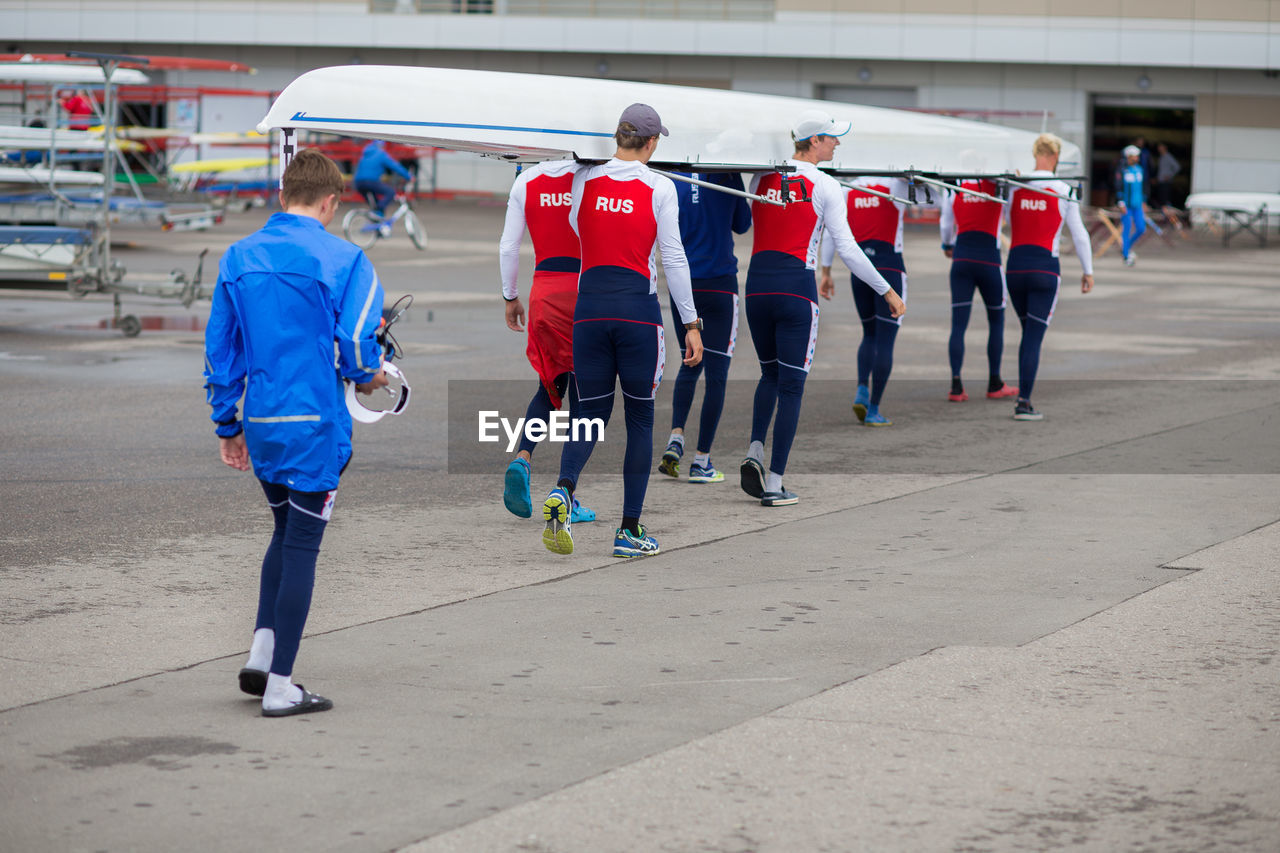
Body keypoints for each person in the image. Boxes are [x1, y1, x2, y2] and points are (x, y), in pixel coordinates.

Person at [204, 149, 388, 716]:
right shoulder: (347, 259)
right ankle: (281, 686)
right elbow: (359, 348)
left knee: (284, 531)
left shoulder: (238, 256)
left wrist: (226, 423)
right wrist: (373, 373)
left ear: (282, 197)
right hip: (314, 423)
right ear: (331, 203)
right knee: (304, 544)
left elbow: (220, 350)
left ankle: (262, 655)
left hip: (260, 420)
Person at [541, 103, 702, 558]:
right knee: (640, 420)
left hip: (588, 313)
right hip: (637, 314)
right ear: (650, 143)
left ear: (617, 137)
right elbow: (673, 258)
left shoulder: (583, 179)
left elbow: (576, 228)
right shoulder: (660, 187)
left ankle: (564, 490)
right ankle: (629, 531)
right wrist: (690, 322)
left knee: (588, 415)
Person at [743, 111, 904, 505]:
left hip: (756, 287)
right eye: (832, 138)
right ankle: (776, 484)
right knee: (792, 385)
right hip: (796, 288)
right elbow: (847, 248)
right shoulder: (826, 185)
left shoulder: (759, 178)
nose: (837, 144)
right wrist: (887, 291)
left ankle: (755, 451)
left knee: (768, 376)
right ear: (814, 141)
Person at [497, 159, 595, 524]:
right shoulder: (593, 175)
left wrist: (510, 297)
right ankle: (566, 492)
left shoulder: (527, 180)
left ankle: (523, 458)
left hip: (543, 294)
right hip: (585, 292)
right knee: (586, 401)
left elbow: (508, 246)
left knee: (550, 387)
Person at [657, 170, 751, 483]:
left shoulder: (671, 175)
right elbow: (743, 224)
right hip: (720, 283)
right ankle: (701, 461)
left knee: (689, 361)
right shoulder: (727, 173)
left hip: (683, 283)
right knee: (717, 373)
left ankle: (676, 437)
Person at [1005, 133, 1094, 421]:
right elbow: (1079, 235)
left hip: (1015, 268)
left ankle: (1023, 398)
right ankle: (1024, 402)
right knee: (1033, 337)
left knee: (1027, 333)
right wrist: (1088, 270)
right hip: (1044, 268)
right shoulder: (1063, 189)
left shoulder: (1016, 186)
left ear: (1035, 154)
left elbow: (1006, 219)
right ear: (1055, 157)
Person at [820, 176, 921, 426]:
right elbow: (933, 200)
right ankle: (874, 409)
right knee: (886, 341)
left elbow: (832, 234)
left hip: (860, 271)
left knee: (869, 334)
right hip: (890, 271)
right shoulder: (896, 184)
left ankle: (862, 388)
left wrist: (826, 271)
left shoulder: (848, 189)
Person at [939, 178, 1017, 403]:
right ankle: (995, 382)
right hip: (990, 262)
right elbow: (1011, 215)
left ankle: (956, 386)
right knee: (996, 322)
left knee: (958, 325)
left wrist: (947, 245)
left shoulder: (954, 186)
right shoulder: (999, 184)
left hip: (961, 259)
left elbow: (946, 223)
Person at [353, 139, 413, 232]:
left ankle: (379, 227)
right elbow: (395, 166)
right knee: (390, 192)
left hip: (358, 183)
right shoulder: (380, 154)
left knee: (376, 204)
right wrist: (408, 176)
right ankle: (378, 211)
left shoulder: (365, 154)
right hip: (370, 181)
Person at [1117, 144, 1146, 266]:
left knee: (1141, 228)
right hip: (1127, 205)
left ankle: (1127, 246)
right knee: (1127, 229)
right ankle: (1125, 255)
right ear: (1128, 157)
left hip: (1137, 205)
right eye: (1134, 156)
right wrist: (1121, 202)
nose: (1136, 159)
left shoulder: (1139, 170)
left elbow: (1143, 187)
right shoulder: (1122, 170)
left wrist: (1144, 201)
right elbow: (1118, 186)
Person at [1153, 142, 1180, 209]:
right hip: (1160, 181)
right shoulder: (1161, 157)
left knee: (1165, 200)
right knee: (1161, 199)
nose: (1159, 149)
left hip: (1166, 182)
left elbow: (1177, 167)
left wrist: (1170, 176)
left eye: (1161, 147)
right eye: (1158, 147)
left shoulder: (1168, 157)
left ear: (1165, 148)